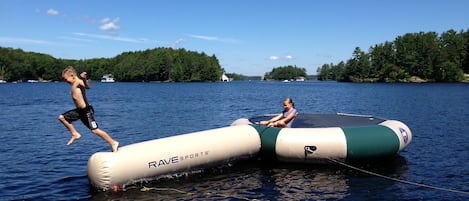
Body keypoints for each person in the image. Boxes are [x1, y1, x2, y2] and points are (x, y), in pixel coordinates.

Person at [58, 66, 119, 152]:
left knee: (95, 130)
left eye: (66, 79)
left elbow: (87, 87)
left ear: (72, 76)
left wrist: (84, 79)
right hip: (79, 111)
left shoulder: (78, 82)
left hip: (87, 111)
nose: (66, 82)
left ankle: (113, 143)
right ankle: (75, 134)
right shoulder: (73, 85)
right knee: (62, 117)